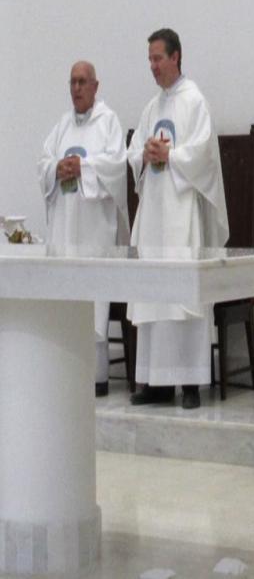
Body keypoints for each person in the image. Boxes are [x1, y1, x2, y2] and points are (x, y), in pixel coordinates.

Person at [127, 28, 228, 410]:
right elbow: (133, 151)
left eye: (158, 58)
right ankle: (155, 381)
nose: (152, 66)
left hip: (182, 214)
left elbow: (203, 154)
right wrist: (145, 153)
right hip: (155, 214)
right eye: (149, 59)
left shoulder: (194, 100)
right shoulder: (152, 107)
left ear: (176, 57)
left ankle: (189, 381)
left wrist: (170, 155)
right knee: (154, 294)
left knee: (182, 294)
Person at [38, 60, 129, 397]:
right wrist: (55, 169)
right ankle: (64, 373)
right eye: (72, 82)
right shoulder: (62, 126)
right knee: (66, 298)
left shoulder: (108, 122)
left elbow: (117, 167)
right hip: (65, 227)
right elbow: (43, 162)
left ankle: (96, 378)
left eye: (82, 82)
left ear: (95, 85)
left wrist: (84, 167)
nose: (76, 88)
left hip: (94, 230)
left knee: (93, 300)